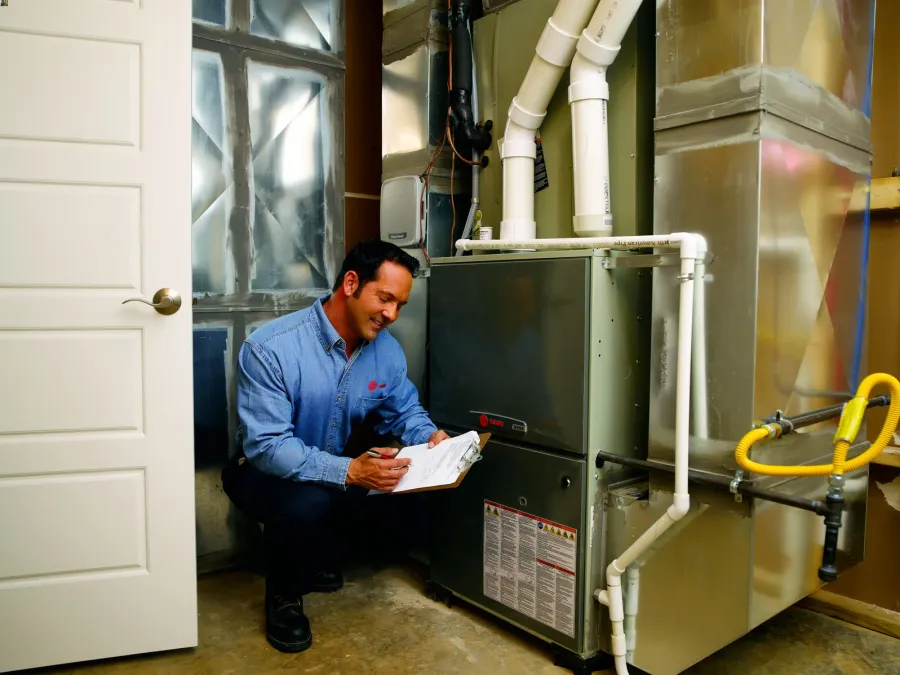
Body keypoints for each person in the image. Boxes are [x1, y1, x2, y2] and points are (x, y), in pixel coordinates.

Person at [222, 239, 449, 654]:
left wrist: (430, 438)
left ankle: (315, 552)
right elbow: (268, 448)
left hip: (333, 469)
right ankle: (285, 595)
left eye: (400, 304)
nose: (392, 315)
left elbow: (404, 413)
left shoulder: (387, 352)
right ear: (350, 283)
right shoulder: (271, 347)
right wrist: (350, 472)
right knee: (306, 504)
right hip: (258, 470)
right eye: (385, 299)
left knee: (411, 507)